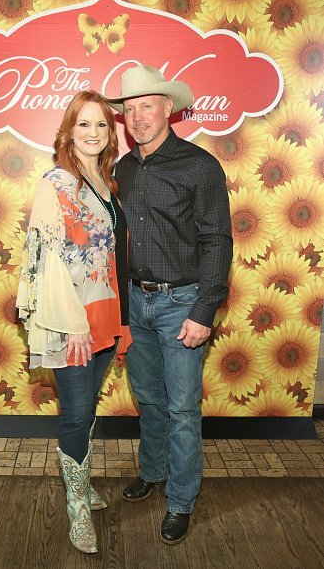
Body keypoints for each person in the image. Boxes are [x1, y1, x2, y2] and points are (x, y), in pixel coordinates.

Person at [104, 65, 233, 545]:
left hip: (183, 303)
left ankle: (181, 500)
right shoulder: (124, 168)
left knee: (182, 408)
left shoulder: (199, 166)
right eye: (130, 109)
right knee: (151, 400)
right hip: (137, 302)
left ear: (167, 108)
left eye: (146, 106)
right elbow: (118, 242)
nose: (138, 117)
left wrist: (203, 312)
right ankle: (153, 472)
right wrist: (119, 312)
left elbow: (218, 241)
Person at [16, 90, 129, 554]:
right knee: (77, 413)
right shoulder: (57, 184)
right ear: (68, 131)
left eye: (102, 125)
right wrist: (75, 325)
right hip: (73, 322)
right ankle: (76, 508)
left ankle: (84, 488)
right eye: (84, 124)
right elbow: (47, 263)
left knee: (87, 411)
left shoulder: (106, 181)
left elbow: (108, 256)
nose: (94, 133)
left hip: (106, 312)